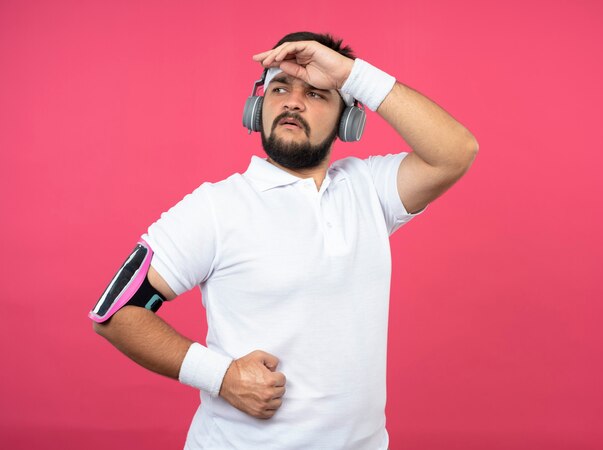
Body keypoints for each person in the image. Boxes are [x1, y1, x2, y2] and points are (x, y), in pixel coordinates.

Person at [91, 31, 478, 450]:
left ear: (348, 120)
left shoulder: (369, 190)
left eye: (316, 92)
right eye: (280, 88)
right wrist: (220, 377)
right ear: (257, 107)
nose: (293, 101)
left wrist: (350, 74)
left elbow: (455, 151)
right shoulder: (216, 208)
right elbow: (116, 311)